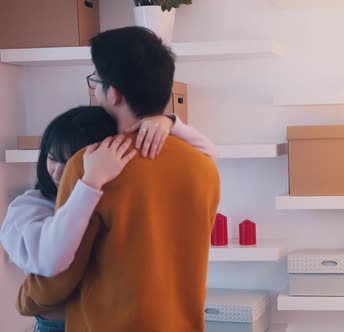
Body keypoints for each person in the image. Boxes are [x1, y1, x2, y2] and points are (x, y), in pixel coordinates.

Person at [16, 26, 221, 332]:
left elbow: (61, 271)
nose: (95, 92)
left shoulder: (89, 165)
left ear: (113, 93)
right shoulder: (203, 166)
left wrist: (26, 300)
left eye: (96, 82)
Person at [0, 105, 218, 331]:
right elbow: (50, 262)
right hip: (57, 324)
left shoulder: (112, 198)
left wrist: (169, 124)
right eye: (52, 158)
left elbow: (207, 156)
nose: (57, 172)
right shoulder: (30, 206)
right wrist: (90, 181)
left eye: (70, 163)